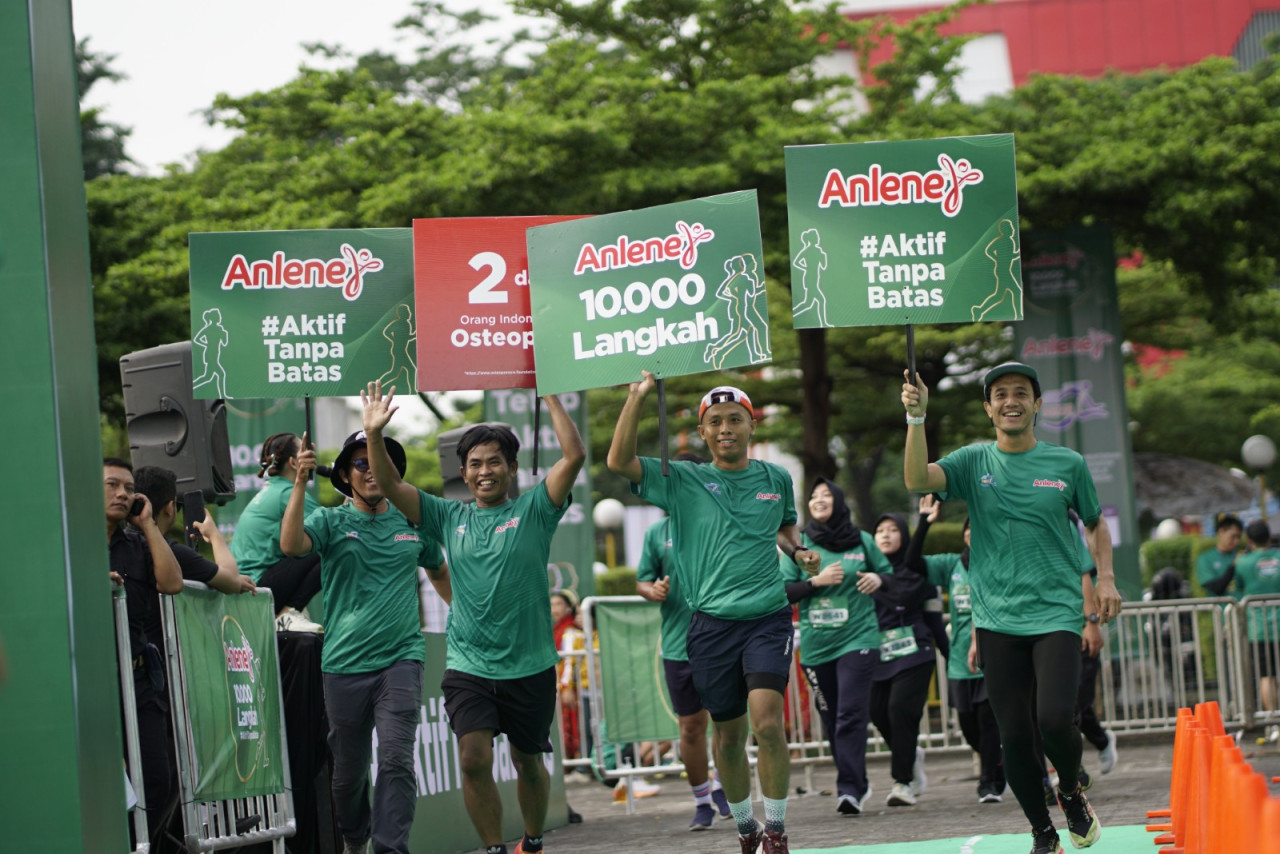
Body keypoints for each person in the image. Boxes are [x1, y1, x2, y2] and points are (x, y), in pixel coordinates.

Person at [901, 362, 1122, 854]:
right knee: (1014, 736)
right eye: (999, 394)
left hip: (1057, 613)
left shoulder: (1067, 464)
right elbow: (918, 478)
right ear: (988, 408)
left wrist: (1105, 579)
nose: (1010, 401)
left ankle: (1070, 790)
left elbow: (1095, 523)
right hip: (997, 619)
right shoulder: (973, 461)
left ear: (1037, 404)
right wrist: (917, 418)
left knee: (1054, 718)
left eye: (1021, 392)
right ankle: (1043, 833)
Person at [361, 380, 584, 854]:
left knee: (527, 761)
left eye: (494, 462)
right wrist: (374, 435)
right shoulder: (447, 517)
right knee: (473, 757)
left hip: (530, 664)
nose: (485, 471)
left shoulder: (535, 510)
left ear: (512, 468)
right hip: (469, 664)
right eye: (476, 464)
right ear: (462, 471)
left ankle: (533, 838)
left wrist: (548, 395)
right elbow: (392, 485)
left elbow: (574, 457)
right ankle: (493, 848)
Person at [608, 376, 820, 854]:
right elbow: (618, 462)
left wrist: (798, 549)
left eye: (735, 420)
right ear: (703, 433)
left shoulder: (775, 478)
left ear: (751, 426)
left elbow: (785, 525)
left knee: (768, 723)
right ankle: (746, 827)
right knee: (727, 733)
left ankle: (777, 830)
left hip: (766, 616)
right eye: (716, 422)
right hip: (709, 626)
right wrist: (637, 397)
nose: (726, 428)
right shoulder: (681, 481)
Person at [281, 430, 449, 854]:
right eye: (361, 463)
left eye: (380, 461)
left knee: (395, 759)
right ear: (345, 475)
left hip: (402, 660)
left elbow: (439, 569)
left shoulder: (414, 522)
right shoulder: (331, 521)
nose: (371, 469)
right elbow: (290, 545)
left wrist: (463, 614)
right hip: (343, 665)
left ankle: (390, 848)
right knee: (348, 773)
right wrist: (300, 483)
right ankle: (355, 840)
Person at [781, 477, 890, 816]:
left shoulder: (862, 540)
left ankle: (849, 789)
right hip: (817, 647)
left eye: (827, 494)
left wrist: (879, 578)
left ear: (839, 501)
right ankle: (856, 781)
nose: (819, 499)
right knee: (832, 720)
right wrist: (816, 581)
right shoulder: (800, 544)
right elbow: (783, 590)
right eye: (814, 496)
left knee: (849, 714)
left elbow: (889, 574)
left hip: (858, 639)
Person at [635, 473, 733, 829]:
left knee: (727, 722)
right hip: (678, 644)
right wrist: (653, 591)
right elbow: (642, 580)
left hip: (722, 639)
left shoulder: (722, 521)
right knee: (691, 727)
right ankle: (702, 800)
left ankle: (726, 786)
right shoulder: (656, 533)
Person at [105, 458, 183, 848]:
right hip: (93, 680)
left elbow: (171, 583)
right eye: (111, 485)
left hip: (138, 678)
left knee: (156, 776)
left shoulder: (138, 542)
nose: (121, 493)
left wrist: (149, 524)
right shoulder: (71, 543)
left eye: (128, 488)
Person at [923, 517, 1006, 803]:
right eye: (968, 529)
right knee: (968, 725)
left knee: (988, 720)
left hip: (990, 654)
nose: (972, 533)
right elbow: (912, 563)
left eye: (977, 527)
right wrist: (924, 522)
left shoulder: (998, 561)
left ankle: (988, 783)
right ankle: (997, 761)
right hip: (959, 660)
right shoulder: (952, 565)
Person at [867, 499, 940, 808]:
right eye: (879, 530)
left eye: (892, 529)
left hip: (914, 651)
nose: (884, 535)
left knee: (901, 711)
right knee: (878, 713)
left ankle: (903, 783)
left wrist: (923, 522)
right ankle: (910, 756)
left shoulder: (914, 568)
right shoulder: (865, 571)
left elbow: (903, 589)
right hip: (878, 653)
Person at [232, 432, 324, 632]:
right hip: (260, 590)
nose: (312, 449)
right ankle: (290, 613)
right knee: (326, 546)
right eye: (304, 448)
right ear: (293, 462)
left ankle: (290, 612)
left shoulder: (270, 490)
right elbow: (334, 528)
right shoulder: (288, 494)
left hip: (245, 592)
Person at [133, 465, 256, 595]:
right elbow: (232, 581)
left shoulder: (123, 544)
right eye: (177, 504)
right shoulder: (173, 553)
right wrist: (214, 535)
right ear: (169, 508)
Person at [1235, 519, 1280, 740]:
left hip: (1259, 629)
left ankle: (1274, 724)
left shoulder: (1243, 562)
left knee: (1266, 676)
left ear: (1249, 540)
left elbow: (1239, 586)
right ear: (1270, 537)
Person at [1195, 513, 1243, 597]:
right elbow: (1216, 589)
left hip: (1243, 608)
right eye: (1233, 536)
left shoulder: (1242, 556)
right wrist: (1233, 566)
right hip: (1220, 609)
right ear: (1221, 532)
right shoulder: (1205, 559)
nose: (1236, 541)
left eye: (1239, 537)